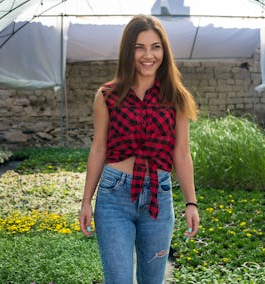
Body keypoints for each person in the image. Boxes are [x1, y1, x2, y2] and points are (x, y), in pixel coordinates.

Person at [79, 14, 199, 283]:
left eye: (155, 46)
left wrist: (191, 203)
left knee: (152, 280)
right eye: (140, 47)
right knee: (119, 279)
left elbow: (181, 153)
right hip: (114, 197)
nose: (148, 55)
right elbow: (98, 148)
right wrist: (86, 200)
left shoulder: (177, 97)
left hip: (159, 196)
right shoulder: (107, 95)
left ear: (164, 52)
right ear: (128, 51)